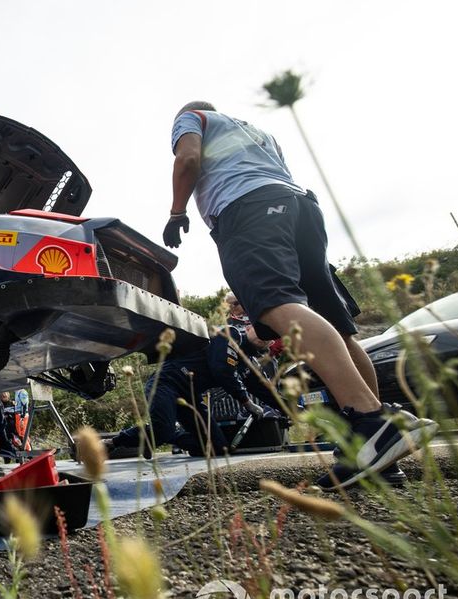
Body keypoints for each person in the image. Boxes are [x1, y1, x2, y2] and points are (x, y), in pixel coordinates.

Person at [165, 101, 435, 489]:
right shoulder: (259, 132)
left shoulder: (195, 118)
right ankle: (372, 454)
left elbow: (188, 158)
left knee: (275, 304)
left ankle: (372, 421)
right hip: (300, 208)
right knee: (339, 329)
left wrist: (177, 212)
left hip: (248, 209)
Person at [108, 327, 273, 458]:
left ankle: (157, 438)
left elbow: (264, 390)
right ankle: (114, 442)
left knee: (217, 448)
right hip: (166, 382)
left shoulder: (250, 364)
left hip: (190, 396)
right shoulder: (230, 334)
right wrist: (246, 402)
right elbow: (222, 370)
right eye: (260, 330)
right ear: (249, 327)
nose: (262, 335)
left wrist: (291, 409)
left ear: (272, 342)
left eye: (268, 335)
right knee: (162, 429)